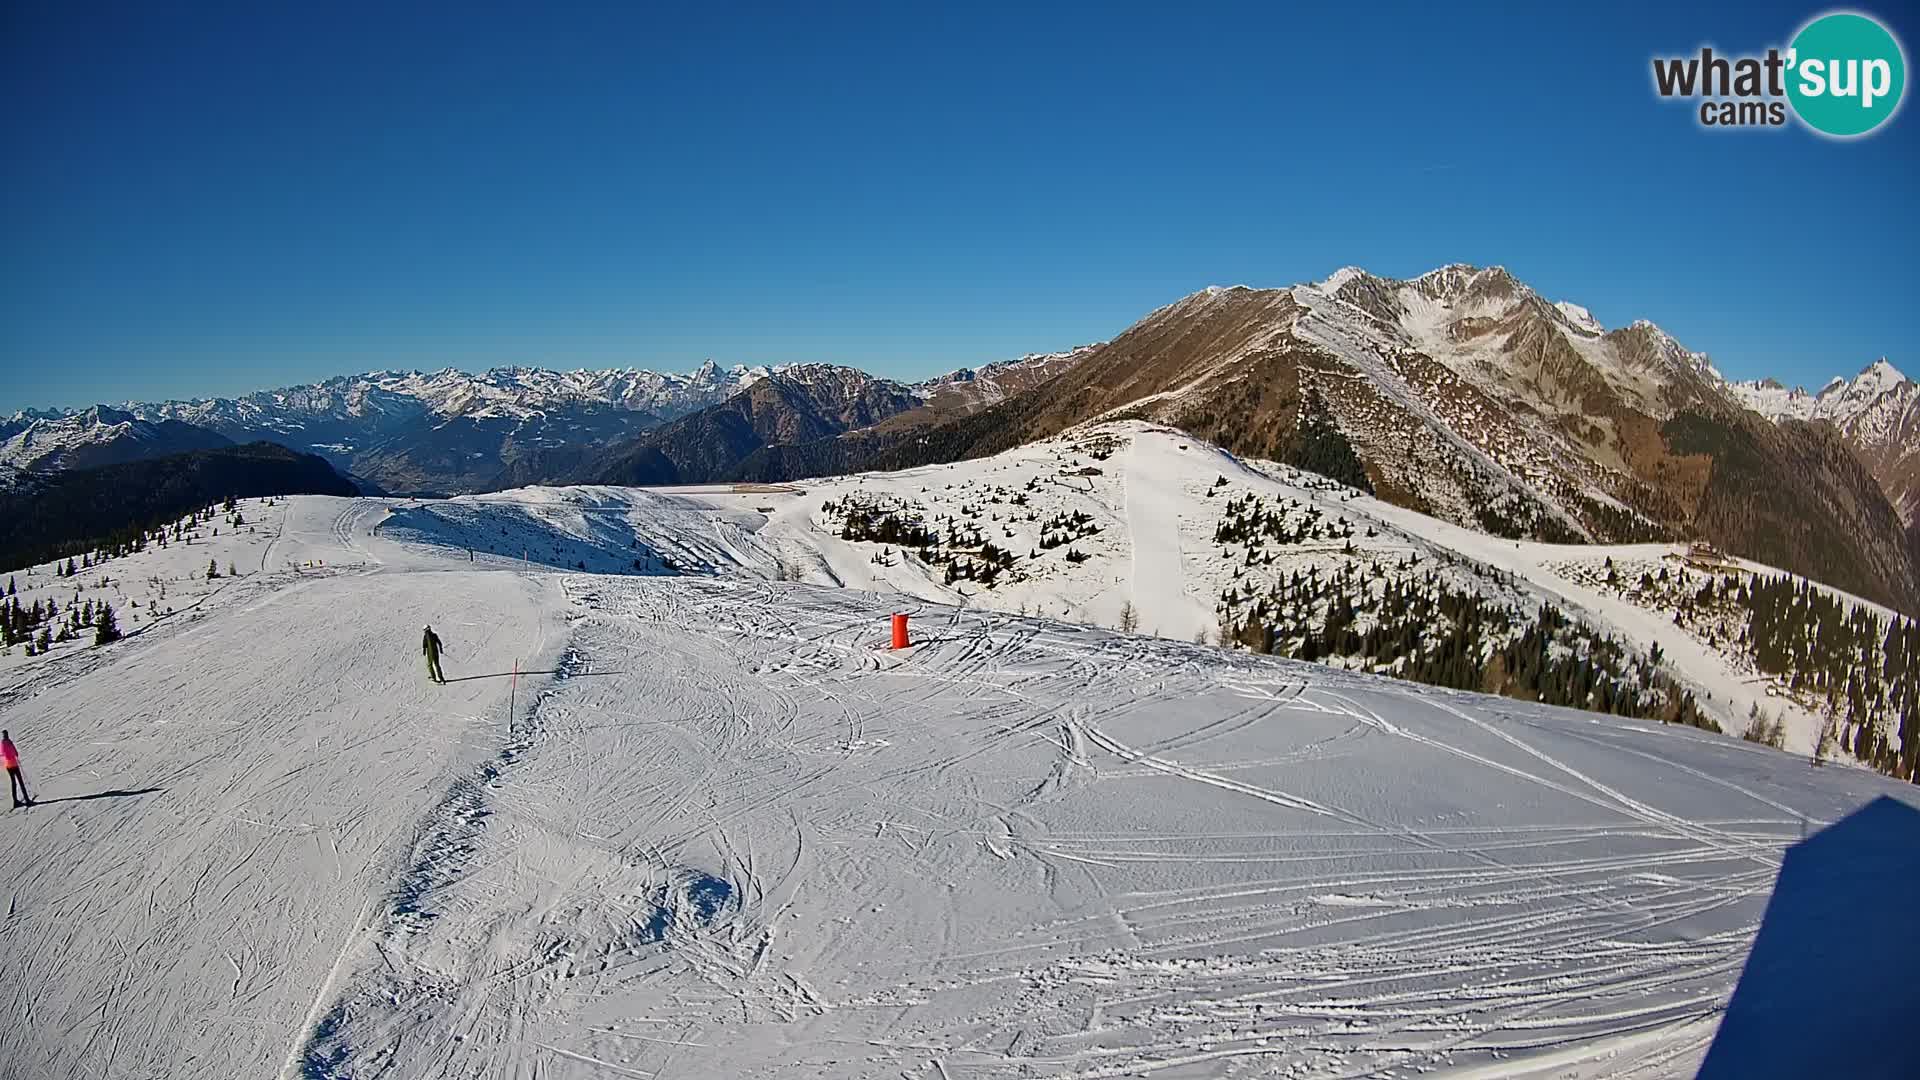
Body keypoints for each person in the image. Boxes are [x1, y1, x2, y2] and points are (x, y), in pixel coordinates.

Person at [1, 730, 29, 809]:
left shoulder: (3, 743)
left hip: (8, 766)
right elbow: (14, 753)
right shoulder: (8, 742)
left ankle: (15, 801)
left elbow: (3, 753)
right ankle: (27, 800)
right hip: (13, 765)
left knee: (14, 783)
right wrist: (13, 749)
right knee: (20, 782)